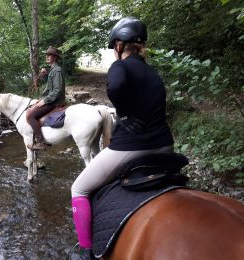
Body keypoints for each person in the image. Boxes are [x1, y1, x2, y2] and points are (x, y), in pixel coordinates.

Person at [70, 17, 174, 259]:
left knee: (79, 188)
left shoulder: (120, 66)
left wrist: (125, 112)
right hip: (165, 145)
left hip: (133, 146)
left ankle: (86, 251)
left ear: (119, 45)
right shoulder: (152, 73)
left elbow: (116, 88)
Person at [26, 46, 66, 151]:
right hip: (51, 99)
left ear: (55, 57)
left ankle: (40, 142)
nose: (47, 57)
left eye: (50, 55)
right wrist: (45, 75)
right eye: (47, 55)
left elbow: (57, 90)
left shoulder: (57, 71)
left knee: (30, 116)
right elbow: (51, 86)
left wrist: (45, 100)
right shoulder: (53, 70)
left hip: (54, 102)